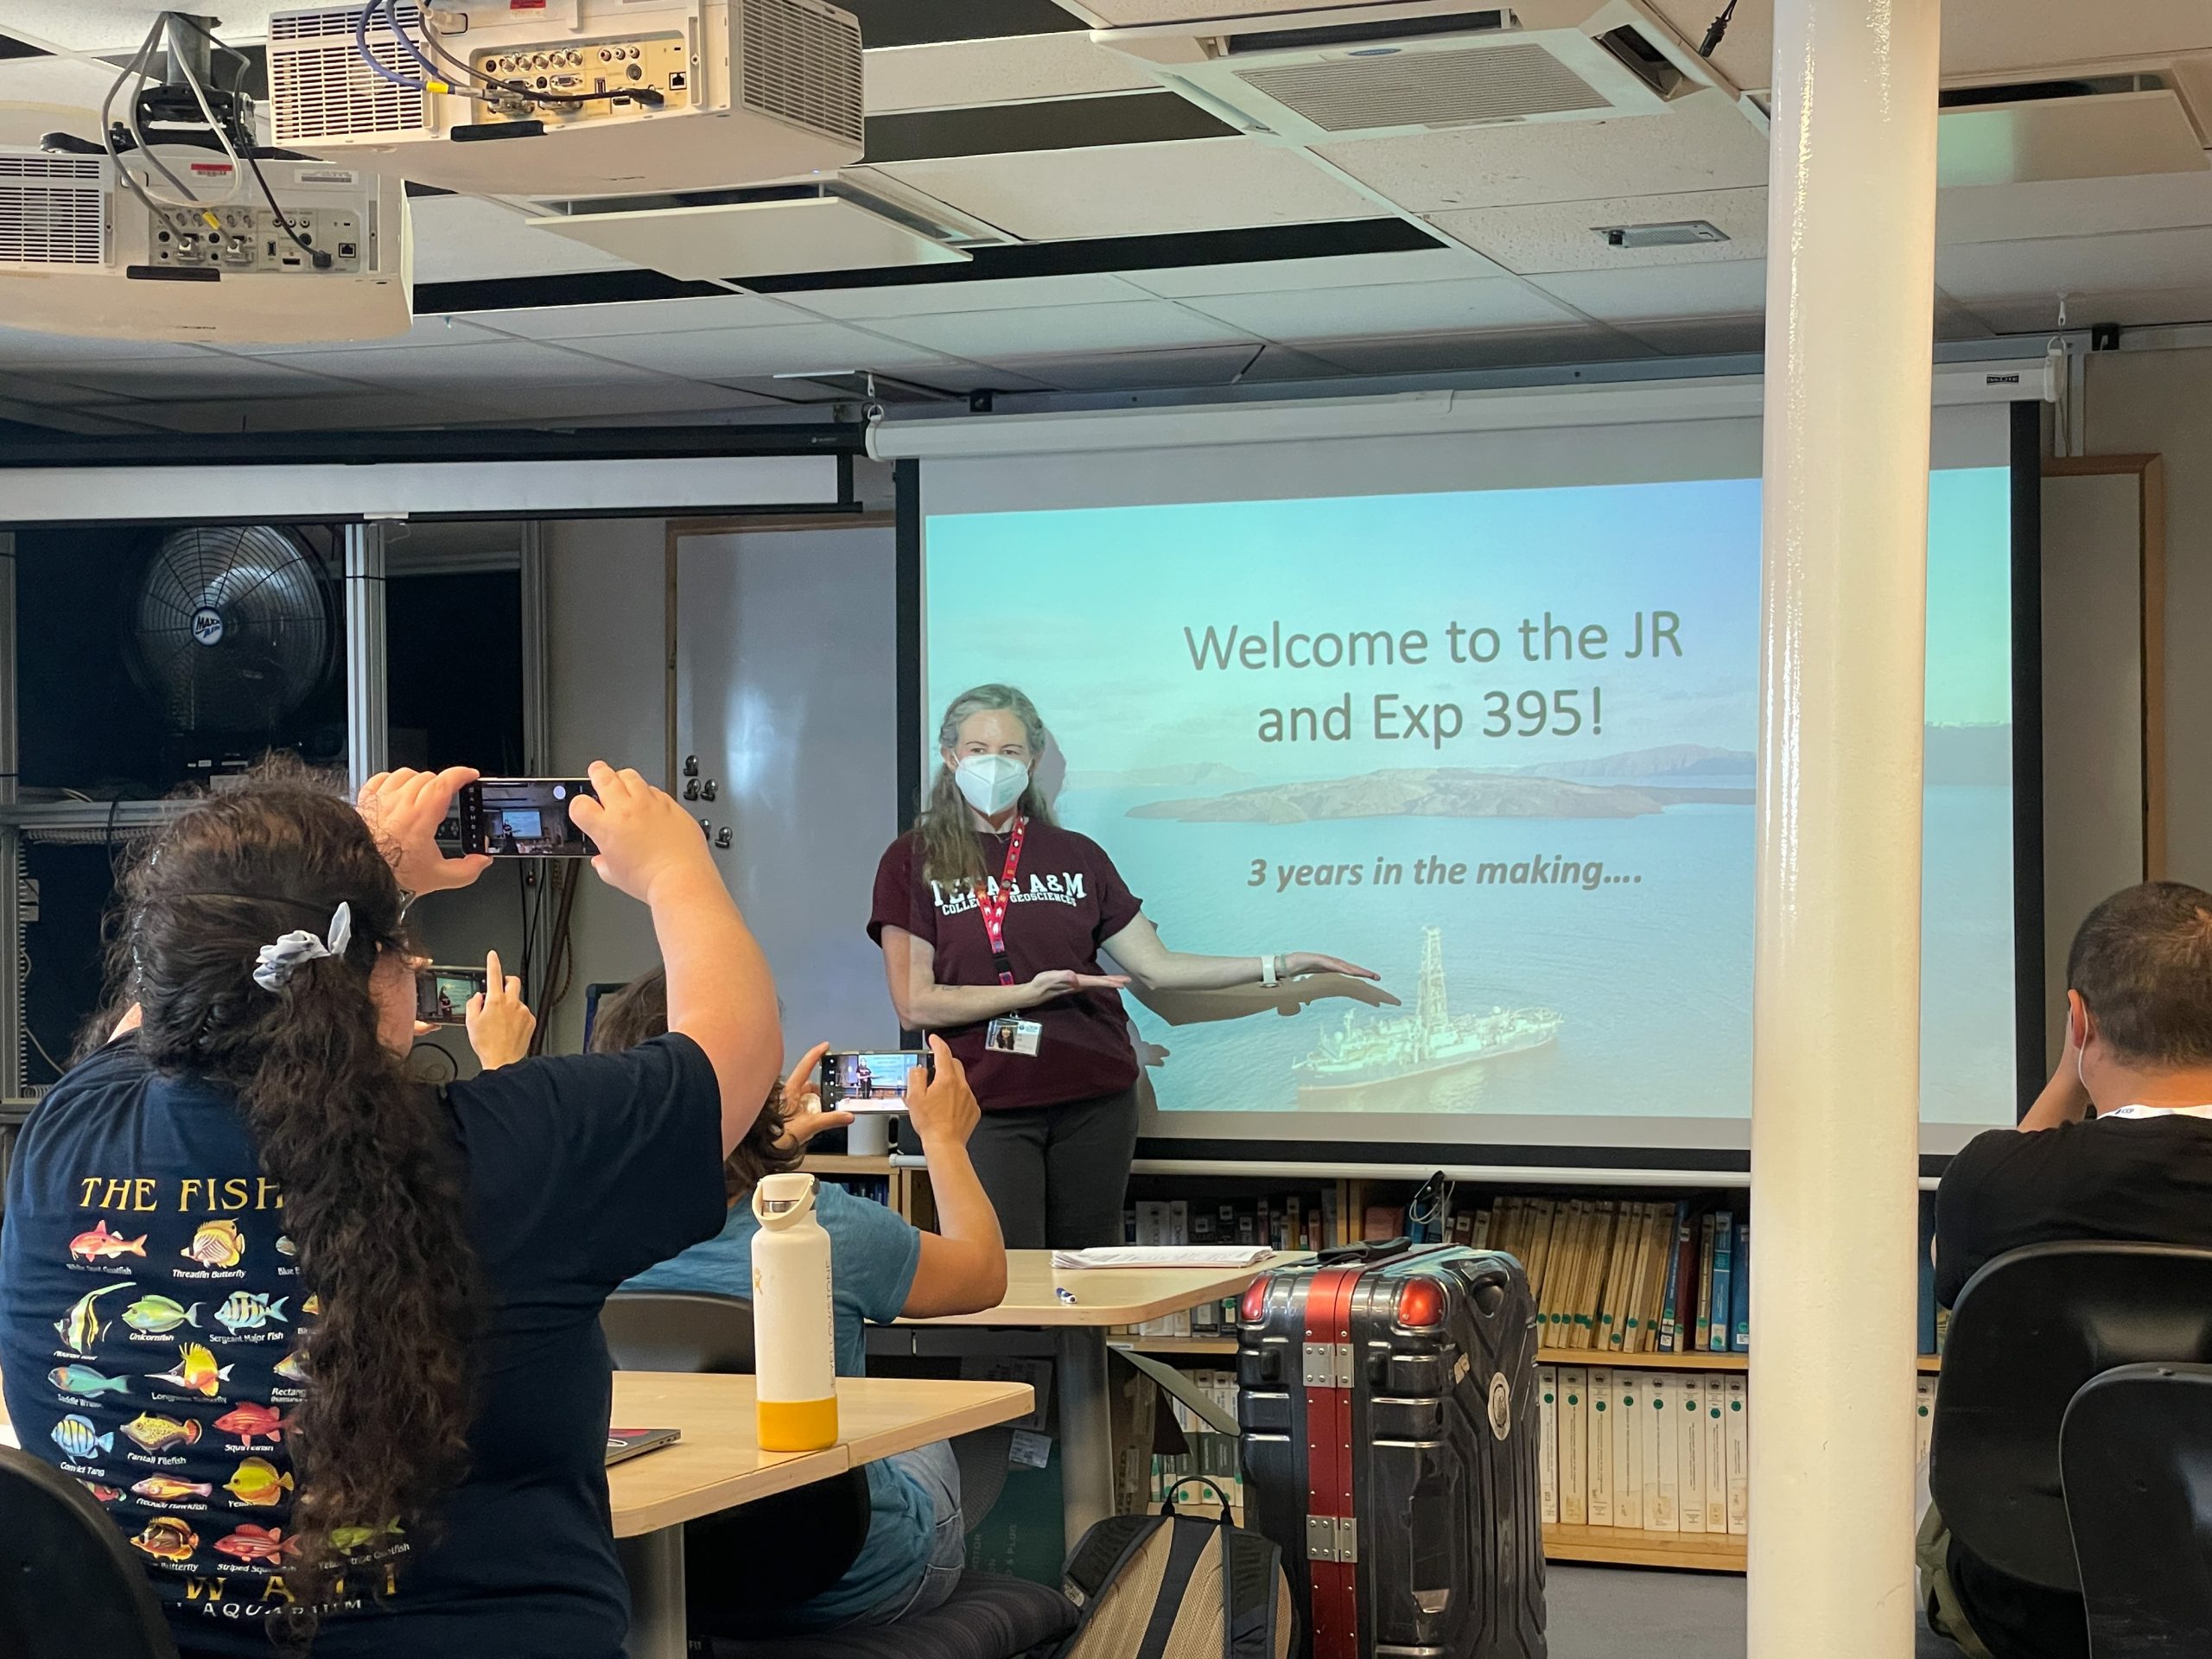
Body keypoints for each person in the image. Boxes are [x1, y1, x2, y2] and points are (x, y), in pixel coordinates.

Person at [0, 759, 780, 1659]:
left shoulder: (67, 1134)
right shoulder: (522, 1154)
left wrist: (362, 874)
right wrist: (677, 866)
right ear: (385, 972)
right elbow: (738, 1052)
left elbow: (170, 997)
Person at [871, 683, 1376, 1248]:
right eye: (977, 750)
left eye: (1010, 752)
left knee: (1090, 1281)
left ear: (1033, 761)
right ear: (949, 757)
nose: (994, 764)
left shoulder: (1077, 855)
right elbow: (914, 1003)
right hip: (984, 1108)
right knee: (1004, 1283)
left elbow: (1157, 967)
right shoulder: (912, 861)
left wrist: (1282, 963)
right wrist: (1027, 994)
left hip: (1095, 1101)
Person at [608, 976, 1005, 1632]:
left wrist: (767, 1149)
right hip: (846, 1576)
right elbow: (983, 1274)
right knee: (916, 1426)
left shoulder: (572, 1230)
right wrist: (944, 1142)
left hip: (657, 1574)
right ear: (754, 1090)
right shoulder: (825, 1228)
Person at [1925, 880, 2212, 1659]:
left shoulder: (1992, 1182)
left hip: (2030, 1597)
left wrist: (2065, 1076)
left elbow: (1957, 1273)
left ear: (2080, 1019)